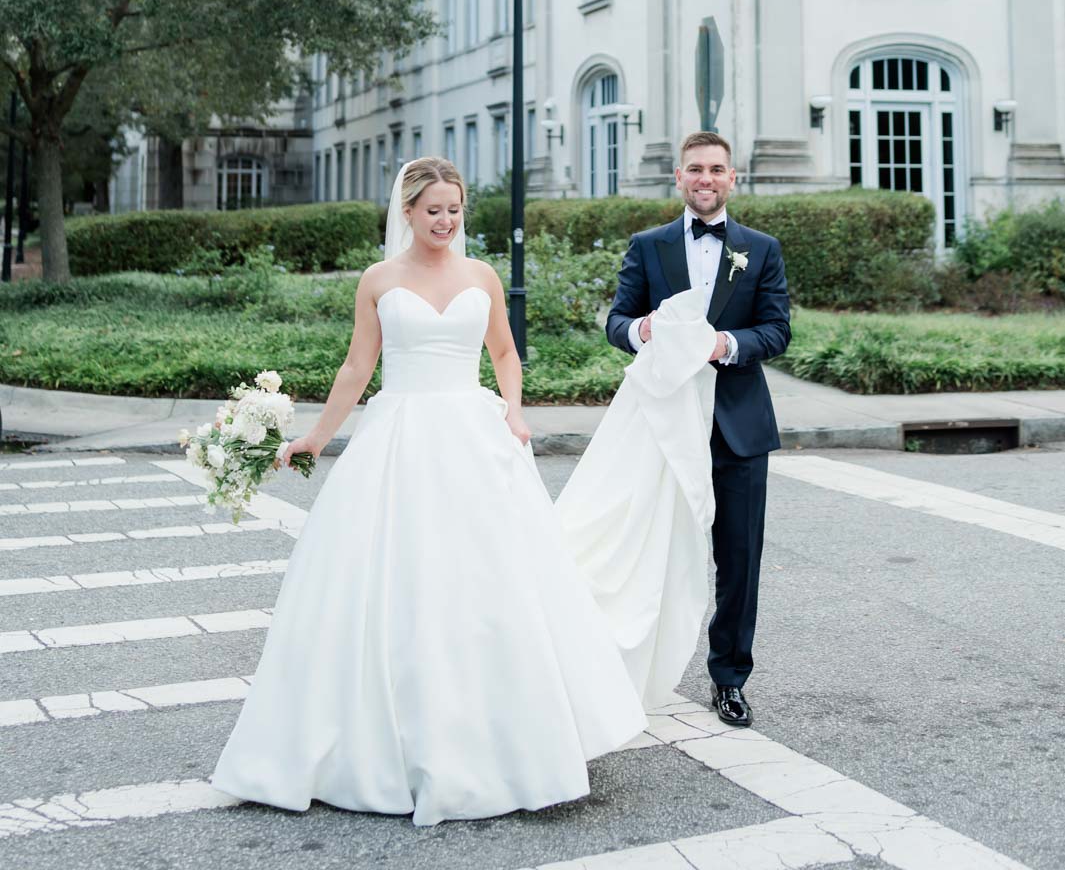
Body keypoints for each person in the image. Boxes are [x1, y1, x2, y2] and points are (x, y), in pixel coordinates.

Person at [211, 156, 645, 828]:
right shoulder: (379, 281)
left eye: (454, 210)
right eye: (433, 210)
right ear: (407, 211)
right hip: (401, 435)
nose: (445, 221)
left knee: (494, 586)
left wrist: (513, 408)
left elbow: (503, 352)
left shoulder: (481, 276)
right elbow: (359, 366)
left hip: (473, 433)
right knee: (397, 584)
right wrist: (317, 438)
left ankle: (512, 739)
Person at [605, 131, 790, 729]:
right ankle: (628, 668)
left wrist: (725, 343)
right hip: (664, 423)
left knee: (738, 558)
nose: (704, 179)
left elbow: (777, 330)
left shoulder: (761, 249)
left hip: (737, 425)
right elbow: (617, 320)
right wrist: (644, 333)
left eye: (716, 169)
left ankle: (729, 678)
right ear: (678, 178)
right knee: (650, 550)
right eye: (694, 170)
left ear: (732, 178)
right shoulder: (648, 245)